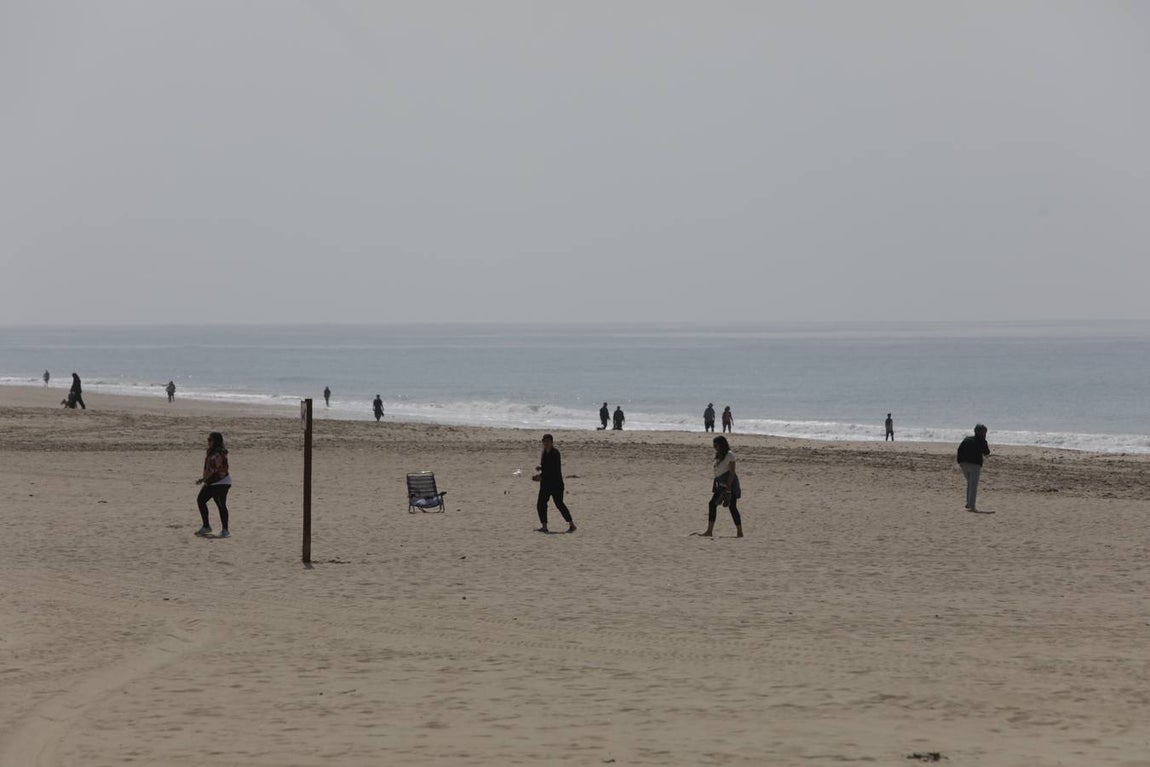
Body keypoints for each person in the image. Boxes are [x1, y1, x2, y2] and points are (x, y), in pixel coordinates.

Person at [700, 435, 743, 537]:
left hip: (729, 484)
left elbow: (732, 473)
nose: (714, 447)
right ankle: (709, 531)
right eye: (714, 445)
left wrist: (728, 489)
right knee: (712, 504)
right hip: (720, 484)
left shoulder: (730, 455)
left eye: (716, 445)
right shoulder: (719, 455)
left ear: (722, 445)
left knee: (732, 507)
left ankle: (740, 532)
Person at [532, 433, 576, 533]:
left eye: (548, 441)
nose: (546, 443)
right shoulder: (544, 452)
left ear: (552, 442)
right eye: (544, 441)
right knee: (541, 504)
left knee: (559, 504)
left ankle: (572, 525)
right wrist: (541, 468)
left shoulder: (555, 453)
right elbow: (547, 467)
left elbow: (553, 470)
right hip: (545, 484)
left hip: (556, 484)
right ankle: (544, 526)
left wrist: (540, 476)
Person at [195, 432, 232, 538]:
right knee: (201, 500)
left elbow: (212, 470)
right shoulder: (211, 452)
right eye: (208, 439)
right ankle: (206, 526)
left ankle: (225, 530)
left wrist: (203, 479)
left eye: (210, 440)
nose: (208, 442)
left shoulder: (218, 454)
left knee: (221, 504)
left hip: (221, 482)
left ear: (216, 441)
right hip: (212, 482)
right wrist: (204, 479)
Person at [956, 424, 991, 512]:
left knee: (970, 483)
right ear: (983, 433)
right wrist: (984, 442)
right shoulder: (982, 441)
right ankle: (971, 505)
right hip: (975, 465)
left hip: (964, 463)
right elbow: (986, 452)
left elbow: (959, 450)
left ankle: (968, 503)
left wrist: (959, 462)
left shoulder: (967, 439)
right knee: (973, 485)